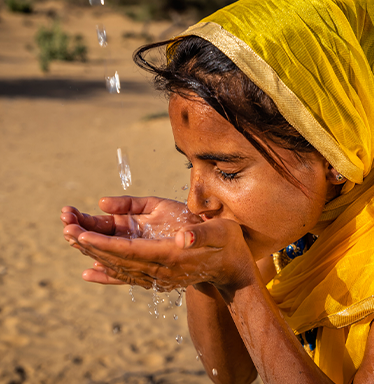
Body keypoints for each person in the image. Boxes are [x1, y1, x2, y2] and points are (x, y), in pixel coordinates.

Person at [60, 0, 374, 383]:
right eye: (190, 164)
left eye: (226, 171)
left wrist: (239, 281)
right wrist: (205, 260)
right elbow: (231, 372)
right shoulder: (295, 222)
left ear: (333, 156)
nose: (196, 202)